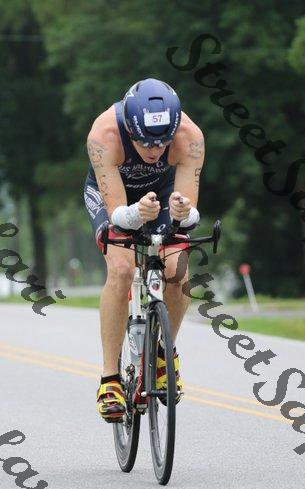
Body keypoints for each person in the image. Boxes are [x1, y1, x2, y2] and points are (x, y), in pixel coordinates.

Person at [84, 78, 204, 422]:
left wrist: (183, 212)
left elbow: (189, 214)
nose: (154, 151)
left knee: (177, 269)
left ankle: (164, 354)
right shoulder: (104, 135)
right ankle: (110, 379)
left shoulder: (190, 138)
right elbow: (118, 216)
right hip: (114, 196)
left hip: (162, 192)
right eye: (145, 142)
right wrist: (136, 214)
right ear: (129, 129)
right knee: (122, 269)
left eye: (162, 142)